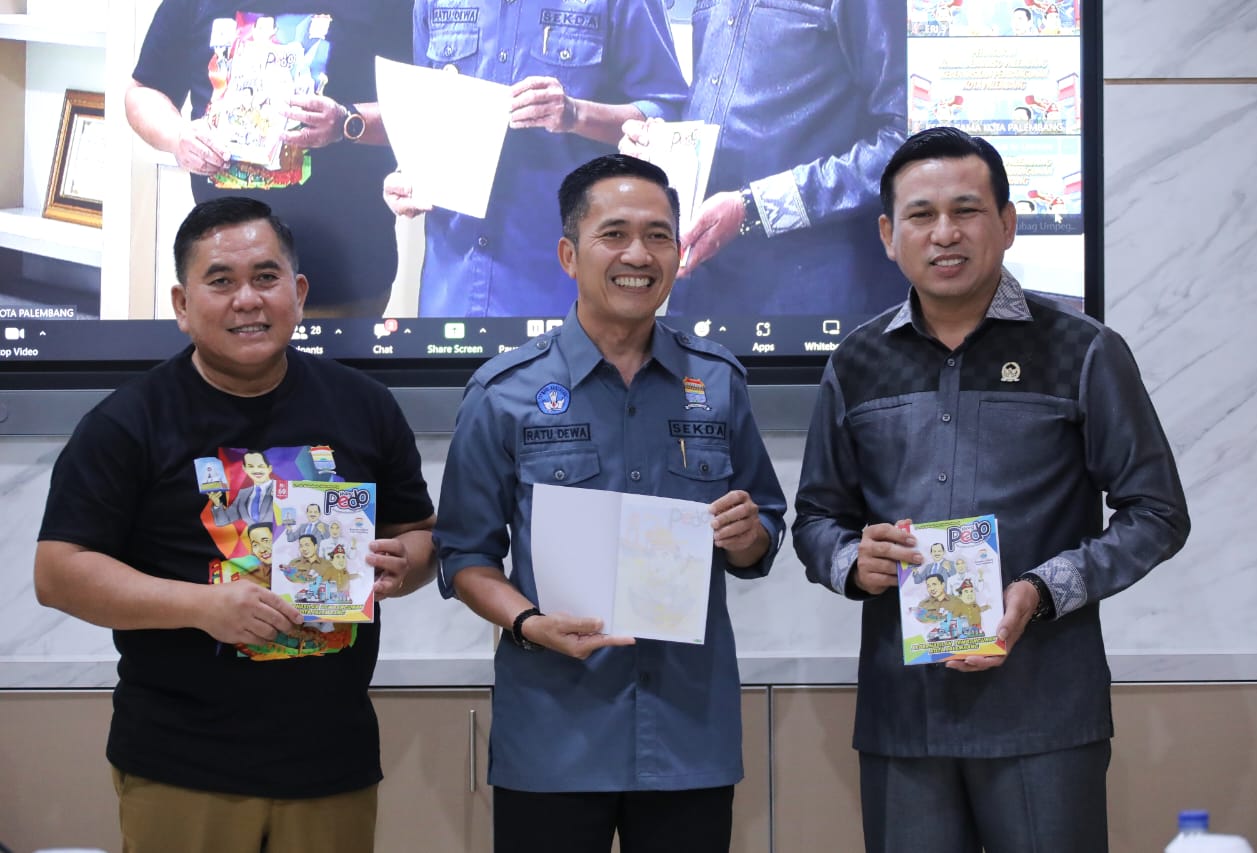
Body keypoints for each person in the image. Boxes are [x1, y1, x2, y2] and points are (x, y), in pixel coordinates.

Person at [791, 127, 1190, 853]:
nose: (944, 233)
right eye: (921, 214)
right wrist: (852, 560)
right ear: (888, 235)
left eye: (967, 210)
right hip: (903, 717)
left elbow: (1157, 512)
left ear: (1007, 223)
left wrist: (1041, 588)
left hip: (1045, 712)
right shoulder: (856, 361)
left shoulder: (1082, 347)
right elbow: (817, 515)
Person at [33, 196, 438, 853]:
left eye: (266, 277)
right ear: (182, 304)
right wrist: (203, 607)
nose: (247, 299)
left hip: (331, 761)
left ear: (298, 294)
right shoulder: (127, 422)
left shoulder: (364, 405)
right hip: (182, 764)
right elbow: (59, 573)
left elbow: (419, 531)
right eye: (221, 280)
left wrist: (406, 563)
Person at [433, 154, 786, 852]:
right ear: (569, 254)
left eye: (658, 236)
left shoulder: (718, 382)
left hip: (688, 733)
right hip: (553, 735)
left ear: (679, 252)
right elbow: (464, 554)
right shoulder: (503, 391)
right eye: (615, 233)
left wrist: (749, 535)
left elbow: (764, 529)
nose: (638, 255)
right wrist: (529, 622)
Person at [383, 0, 687, 318]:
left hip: (566, 284)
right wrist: (408, 170)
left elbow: (667, 111)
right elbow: (424, 110)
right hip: (452, 287)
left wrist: (577, 114)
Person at [622, 0, 908, 318]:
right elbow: (719, 106)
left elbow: (902, 142)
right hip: (702, 278)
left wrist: (755, 207)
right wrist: (659, 146)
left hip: (810, 286)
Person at [125, 1, 412, 317]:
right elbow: (143, 91)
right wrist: (177, 135)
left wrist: (348, 122)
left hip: (342, 284)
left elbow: (424, 109)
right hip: (222, 278)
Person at [210, 448, 275, 526]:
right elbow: (223, 521)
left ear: (269, 468)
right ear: (244, 469)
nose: (256, 470)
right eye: (251, 466)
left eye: (260, 466)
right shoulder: (243, 494)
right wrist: (217, 504)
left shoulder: (281, 488)